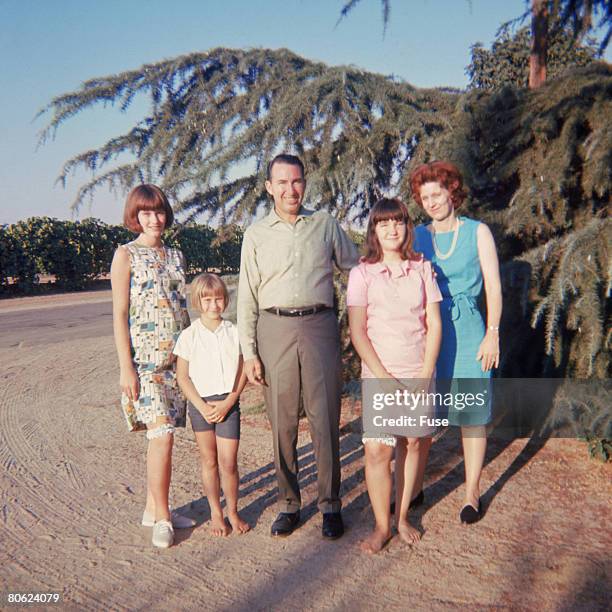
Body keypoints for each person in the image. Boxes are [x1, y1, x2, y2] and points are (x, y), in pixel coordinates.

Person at [237, 153, 359, 539]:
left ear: (305, 183)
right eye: (282, 183)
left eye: (297, 181)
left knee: (325, 418)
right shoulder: (256, 234)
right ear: (269, 188)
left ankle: (330, 505)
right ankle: (289, 504)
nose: (291, 189)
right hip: (274, 328)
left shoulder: (324, 225)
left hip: (319, 324)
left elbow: (356, 265)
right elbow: (247, 297)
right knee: (282, 421)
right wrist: (249, 352)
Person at [347, 197, 442, 554]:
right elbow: (358, 331)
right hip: (379, 374)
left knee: (413, 443)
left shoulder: (422, 269)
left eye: (398, 222)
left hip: (417, 369)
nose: (391, 229)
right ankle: (381, 526)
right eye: (383, 223)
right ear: (374, 230)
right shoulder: (362, 274)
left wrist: (425, 372)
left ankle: (402, 517)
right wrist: (383, 377)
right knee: (376, 450)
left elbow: (434, 324)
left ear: (407, 228)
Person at [410, 161, 502, 524]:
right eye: (424, 196)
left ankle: (471, 493)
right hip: (428, 331)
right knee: (424, 413)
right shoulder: (416, 235)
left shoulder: (478, 232)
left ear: (452, 192)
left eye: (437, 194)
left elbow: (493, 287)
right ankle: (414, 489)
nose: (431, 202)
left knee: (471, 415)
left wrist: (492, 334)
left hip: (468, 332)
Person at [110, 184, 194, 549]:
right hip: (145, 366)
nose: (154, 219)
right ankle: (163, 517)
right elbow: (119, 313)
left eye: (159, 212)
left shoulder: (177, 256)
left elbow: (182, 308)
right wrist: (125, 367)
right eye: (146, 213)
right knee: (162, 436)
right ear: (135, 216)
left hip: (177, 364)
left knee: (168, 436)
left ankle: (152, 507)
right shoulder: (125, 255)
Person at [174, 273, 250, 537]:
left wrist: (230, 400)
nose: (213, 306)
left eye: (218, 299)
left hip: (228, 405)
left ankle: (233, 511)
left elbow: (243, 370)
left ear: (225, 300)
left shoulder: (234, 332)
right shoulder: (189, 335)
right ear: (197, 302)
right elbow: (182, 377)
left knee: (228, 462)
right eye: (207, 300)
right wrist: (202, 405)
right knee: (209, 461)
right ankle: (216, 513)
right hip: (201, 407)